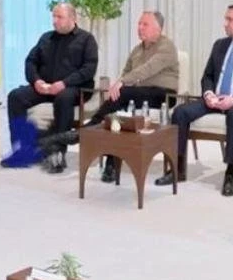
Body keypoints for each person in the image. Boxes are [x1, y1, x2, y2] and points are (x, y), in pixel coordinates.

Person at [155, 2, 233, 197]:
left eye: (230, 19)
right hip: (216, 99)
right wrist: (209, 94)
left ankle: (230, 173)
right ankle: (178, 169)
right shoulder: (220, 45)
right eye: (225, 19)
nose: (225, 23)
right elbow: (208, 76)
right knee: (181, 112)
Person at [39, 10, 179, 176]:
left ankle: (84, 132)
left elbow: (147, 69)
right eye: (139, 24)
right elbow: (126, 72)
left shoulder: (166, 46)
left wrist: (120, 84)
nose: (140, 27)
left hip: (163, 96)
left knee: (122, 96)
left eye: (145, 24)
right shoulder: (137, 50)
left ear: (158, 28)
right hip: (137, 95)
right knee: (116, 114)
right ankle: (110, 165)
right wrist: (116, 87)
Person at [2, 2, 98, 171]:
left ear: (73, 18)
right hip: (46, 87)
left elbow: (89, 69)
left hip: (74, 88)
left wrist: (64, 83)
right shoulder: (46, 38)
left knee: (63, 98)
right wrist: (36, 81)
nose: (54, 21)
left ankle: (57, 153)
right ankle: (22, 149)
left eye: (59, 17)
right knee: (15, 96)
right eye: (54, 16)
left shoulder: (86, 39)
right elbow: (31, 61)